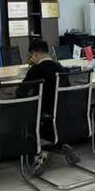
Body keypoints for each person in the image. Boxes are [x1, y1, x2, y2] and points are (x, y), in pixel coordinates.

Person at [21, 40, 78, 173]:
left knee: (24, 116)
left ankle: (38, 154)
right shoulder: (60, 67)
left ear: (35, 54)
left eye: (31, 56)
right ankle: (60, 145)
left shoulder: (36, 69)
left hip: (44, 113)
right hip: (63, 113)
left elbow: (21, 91)